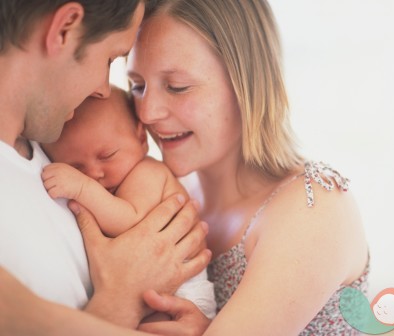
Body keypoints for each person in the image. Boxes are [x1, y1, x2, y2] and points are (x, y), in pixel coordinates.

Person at [126, 0, 370, 334]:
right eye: (137, 86)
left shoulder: (314, 206)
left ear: (247, 83)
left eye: (177, 87)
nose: (147, 112)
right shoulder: (169, 195)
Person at [0, 1, 210, 335]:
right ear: (65, 28)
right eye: (110, 59)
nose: (102, 89)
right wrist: (121, 300)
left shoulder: (50, 144)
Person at [41, 86, 216, 319]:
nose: (95, 174)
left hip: (185, 292)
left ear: (141, 138)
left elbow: (129, 221)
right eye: (76, 168)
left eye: (107, 156)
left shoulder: (148, 172)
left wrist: (81, 187)